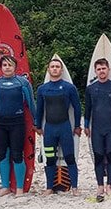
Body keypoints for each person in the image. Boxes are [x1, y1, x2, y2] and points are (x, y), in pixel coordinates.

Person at [0, 55, 35, 196]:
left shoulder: (22, 83)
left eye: (10, 65)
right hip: (0, 123)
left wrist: (36, 121)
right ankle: (5, 186)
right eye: (4, 65)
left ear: (15, 67)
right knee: (2, 154)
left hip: (17, 123)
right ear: (0, 68)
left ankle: (19, 188)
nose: (7, 67)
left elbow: (31, 103)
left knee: (17, 154)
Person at [34, 56, 83, 195]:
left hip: (65, 128)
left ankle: (74, 187)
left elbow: (77, 107)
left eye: (57, 67)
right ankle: (49, 188)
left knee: (69, 157)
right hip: (49, 129)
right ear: (48, 70)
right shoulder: (42, 89)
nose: (55, 69)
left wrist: (77, 125)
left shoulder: (69, 88)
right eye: (52, 67)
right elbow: (39, 109)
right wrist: (38, 125)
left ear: (61, 70)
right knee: (50, 159)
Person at [84, 59, 111, 201]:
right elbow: (88, 109)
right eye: (99, 69)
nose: (102, 71)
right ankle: (100, 185)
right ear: (95, 71)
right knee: (98, 156)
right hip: (96, 128)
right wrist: (86, 125)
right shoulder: (91, 89)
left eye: (104, 68)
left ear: (108, 70)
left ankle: (109, 186)